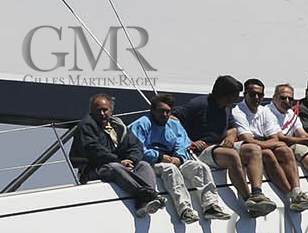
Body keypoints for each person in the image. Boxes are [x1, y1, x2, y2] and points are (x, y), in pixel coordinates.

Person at [175, 75, 275, 217]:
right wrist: (189, 141)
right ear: (226, 94)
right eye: (236, 94)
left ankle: (257, 193)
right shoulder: (198, 104)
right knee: (232, 155)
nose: (238, 97)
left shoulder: (226, 108)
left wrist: (230, 136)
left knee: (254, 149)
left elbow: (233, 127)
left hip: (220, 147)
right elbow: (173, 119)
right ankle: (249, 200)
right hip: (201, 151)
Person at [129, 93, 230, 222]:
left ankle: (211, 206)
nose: (165, 115)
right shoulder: (141, 124)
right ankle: (185, 211)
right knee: (170, 169)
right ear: (152, 110)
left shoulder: (174, 125)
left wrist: (180, 158)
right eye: (161, 111)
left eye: (168, 111)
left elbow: (183, 144)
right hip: (151, 163)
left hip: (174, 160)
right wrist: (159, 156)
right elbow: (136, 149)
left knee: (200, 166)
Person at [68, 93, 164, 216]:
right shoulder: (86, 126)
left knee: (144, 165)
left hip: (119, 164)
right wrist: (120, 162)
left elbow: (136, 145)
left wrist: (131, 160)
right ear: (91, 111)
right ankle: (150, 195)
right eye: (99, 110)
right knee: (115, 167)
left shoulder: (118, 125)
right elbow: (94, 150)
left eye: (105, 110)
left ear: (111, 110)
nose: (102, 113)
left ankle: (142, 203)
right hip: (93, 169)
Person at [232, 78, 308, 212]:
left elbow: (274, 137)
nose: (257, 98)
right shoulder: (237, 111)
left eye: (260, 95)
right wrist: (271, 143)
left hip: (260, 143)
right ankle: (261, 194)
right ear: (244, 94)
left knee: (285, 150)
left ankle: (296, 192)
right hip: (244, 146)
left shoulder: (263, 111)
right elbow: (248, 140)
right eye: (252, 94)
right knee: (267, 153)